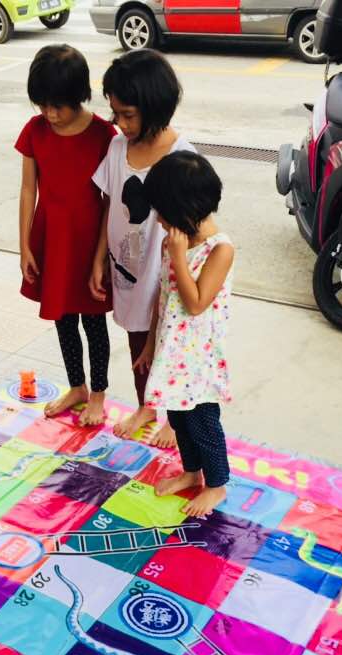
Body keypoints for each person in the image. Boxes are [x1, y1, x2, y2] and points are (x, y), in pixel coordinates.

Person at [89, 49, 195, 448]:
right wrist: (99, 258)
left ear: (155, 107)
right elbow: (109, 205)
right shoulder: (118, 148)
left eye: (128, 115)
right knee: (138, 346)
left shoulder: (181, 156)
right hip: (127, 272)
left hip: (167, 275)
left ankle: (175, 419)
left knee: (171, 348)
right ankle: (146, 406)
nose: (120, 123)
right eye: (115, 113)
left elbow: (193, 227)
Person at [17, 45, 117, 425]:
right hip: (51, 240)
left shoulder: (104, 135)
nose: (50, 114)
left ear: (79, 96)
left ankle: (98, 393)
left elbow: (110, 201)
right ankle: (77, 386)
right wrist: (24, 245)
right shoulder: (35, 130)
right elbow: (28, 189)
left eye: (57, 106)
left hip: (89, 243)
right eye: (43, 105)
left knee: (94, 321)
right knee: (63, 318)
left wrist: (100, 257)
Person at [141, 151, 234, 518]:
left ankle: (217, 485)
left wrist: (179, 256)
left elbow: (195, 303)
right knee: (179, 419)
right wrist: (150, 345)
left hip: (200, 359)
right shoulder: (174, 242)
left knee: (203, 423)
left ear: (185, 210)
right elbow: (163, 298)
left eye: (163, 213)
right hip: (172, 353)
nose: (159, 220)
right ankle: (192, 472)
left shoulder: (220, 250)